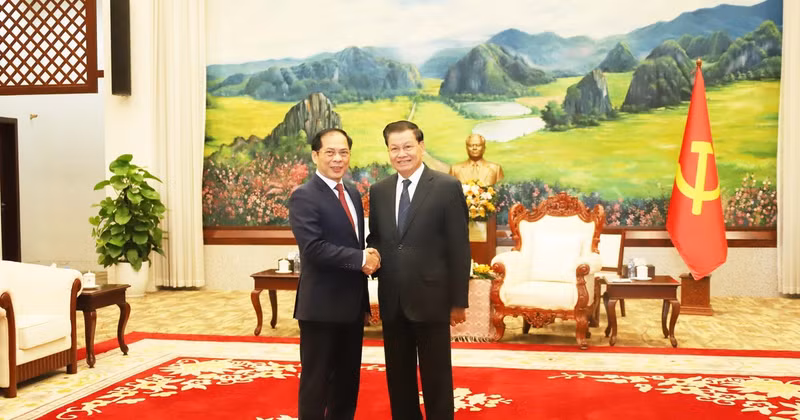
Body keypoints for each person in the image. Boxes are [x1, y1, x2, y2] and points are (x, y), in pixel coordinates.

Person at [367, 120, 471, 419]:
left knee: (436, 376)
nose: (402, 154)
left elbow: (459, 247)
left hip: (432, 299)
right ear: (388, 151)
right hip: (392, 299)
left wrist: (458, 301)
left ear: (421, 147)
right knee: (398, 376)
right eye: (394, 148)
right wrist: (370, 258)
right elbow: (377, 238)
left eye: (408, 146)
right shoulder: (379, 190)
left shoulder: (446, 187)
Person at [288, 128, 381, 420]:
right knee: (317, 383)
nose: (337, 159)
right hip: (321, 307)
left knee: (346, 381)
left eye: (343, 152)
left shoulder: (351, 191)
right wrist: (361, 259)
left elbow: (352, 239)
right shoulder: (304, 196)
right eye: (330, 152)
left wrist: (370, 253)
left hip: (352, 305)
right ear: (315, 155)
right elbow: (313, 248)